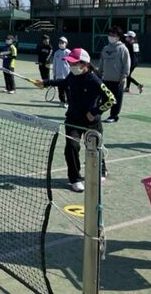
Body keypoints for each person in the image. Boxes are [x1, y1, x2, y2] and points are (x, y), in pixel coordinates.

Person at [37, 48, 115, 192]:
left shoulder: (94, 79)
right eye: (69, 63)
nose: (71, 65)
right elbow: (64, 82)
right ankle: (75, 179)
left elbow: (111, 99)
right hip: (73, 119)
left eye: (74, 63)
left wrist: (95, 112)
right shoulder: (72, 75)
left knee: (95, 148)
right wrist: (45, 82)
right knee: (71, 147)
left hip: (92, 122)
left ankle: (101, 170)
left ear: (84, 64)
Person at [98, 26, 130, 123]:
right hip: (106, 79)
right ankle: (97, 114)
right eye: (110, 34)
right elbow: (101, 62)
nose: (111, 36)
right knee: (104, 99)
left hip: (118, 80)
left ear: (118, 37)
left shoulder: (122, 48)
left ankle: (114, 116)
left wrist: (124, 76)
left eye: (113, 34)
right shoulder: (105, 48)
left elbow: (126, 64)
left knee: (116, 100)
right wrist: (99, 73)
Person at [52, 37, 71, 107]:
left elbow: (72, 64)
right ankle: (62, 101)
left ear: (66, 43)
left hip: (67, 75)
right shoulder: (56, 53)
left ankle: (68, 103)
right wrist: (54, 74)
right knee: (60, 91)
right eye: (60, 42)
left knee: (68, 90)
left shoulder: (69, 52)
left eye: (62, 42)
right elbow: (54, 64)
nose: (61, 44)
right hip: (58, 76)